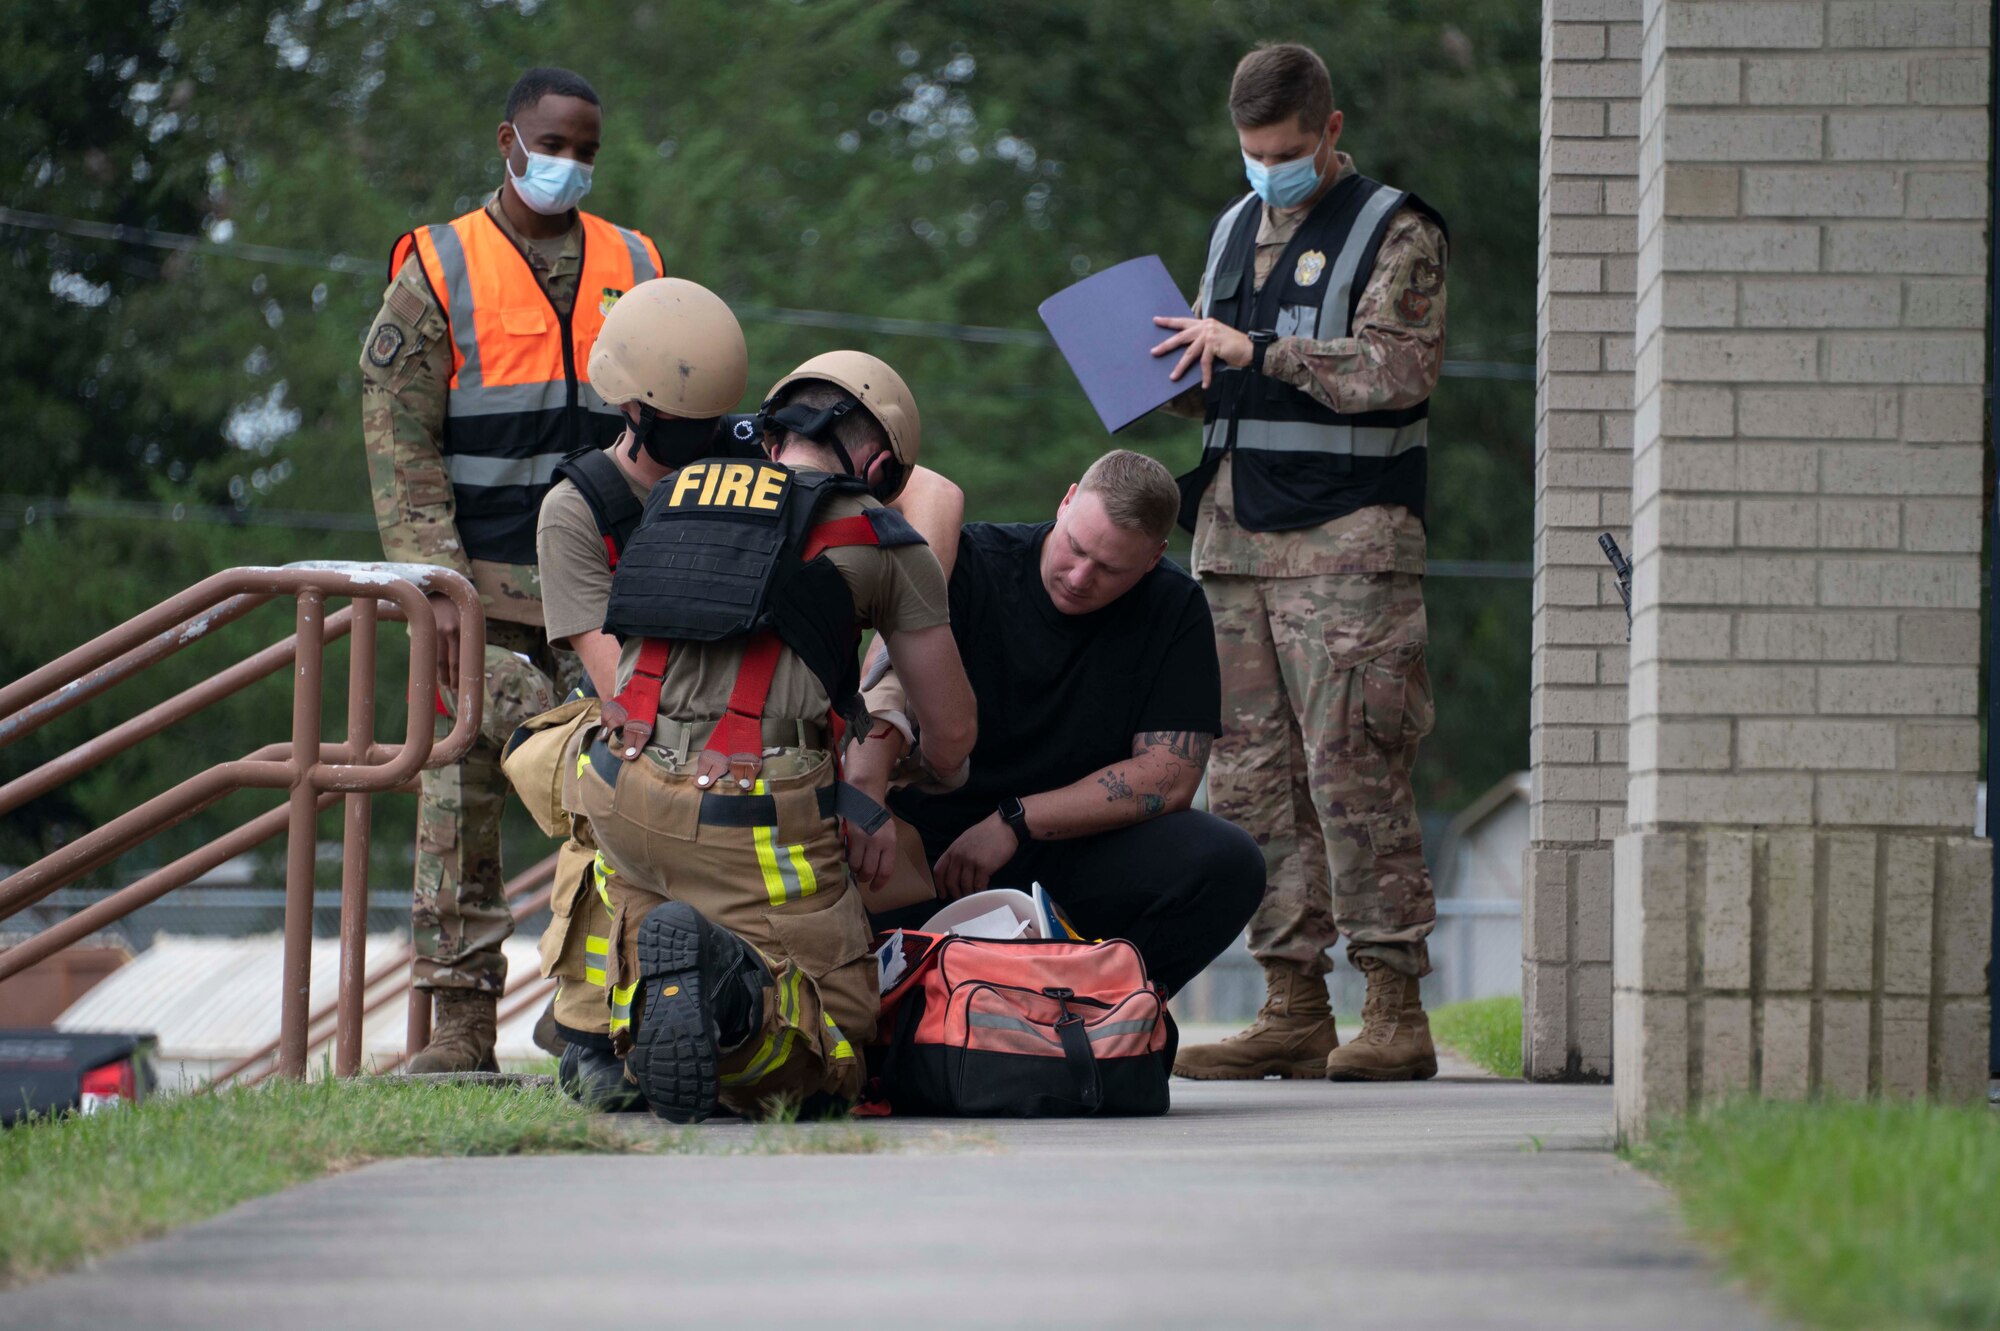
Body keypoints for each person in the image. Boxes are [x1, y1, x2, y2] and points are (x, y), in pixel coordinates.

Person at [529, 278, 967, 1104]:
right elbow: (951, 737)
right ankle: (681, 1012)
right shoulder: (582, 510)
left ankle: (633, 1016)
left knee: (633, 851)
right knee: (839, 1052)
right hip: (706, 776)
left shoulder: (707, 472)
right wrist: (870, 766)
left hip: (637, 778)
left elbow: (931, 496)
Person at [1150, 43, 1449, 1081]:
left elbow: (1397, 371)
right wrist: (1180, 372)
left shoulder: (1393, 229)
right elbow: (1220, 375)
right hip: (1232, 541)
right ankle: (1290, 1004)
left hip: (1348, 546)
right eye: (1249, 152)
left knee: (1352, 773)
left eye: (1282, 151)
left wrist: (1255, 353)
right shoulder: (1234, 227)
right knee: (1249, 785)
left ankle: (1395, 1007)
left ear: (1327, 131)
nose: (1264, 170)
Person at [359, 66, 666, 1071]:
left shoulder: (637, 261)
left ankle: (615, 1003)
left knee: (637, 786)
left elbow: (673, 423)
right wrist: (439, 595)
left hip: (610, 595)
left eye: (586, 150)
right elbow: (401, 455)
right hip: (478, 593)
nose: (568, 165)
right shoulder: (438, 268)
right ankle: (459, 1024)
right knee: (458, 785)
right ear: (508, 141)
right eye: (552, 145)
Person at [849, 450, 1264, 1000]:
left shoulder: (1173, 605)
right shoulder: (970, 561)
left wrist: (1014, 822)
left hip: (1068, 852)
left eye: (1111, 569)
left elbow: (1171, 776)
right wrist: (864, 799)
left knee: (1227, 862)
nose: (1079, 576)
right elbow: (881, 692)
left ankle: (1102, 1018)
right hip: (929, 851)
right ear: (1066, 501)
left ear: (1153, 558)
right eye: (1076, 546)